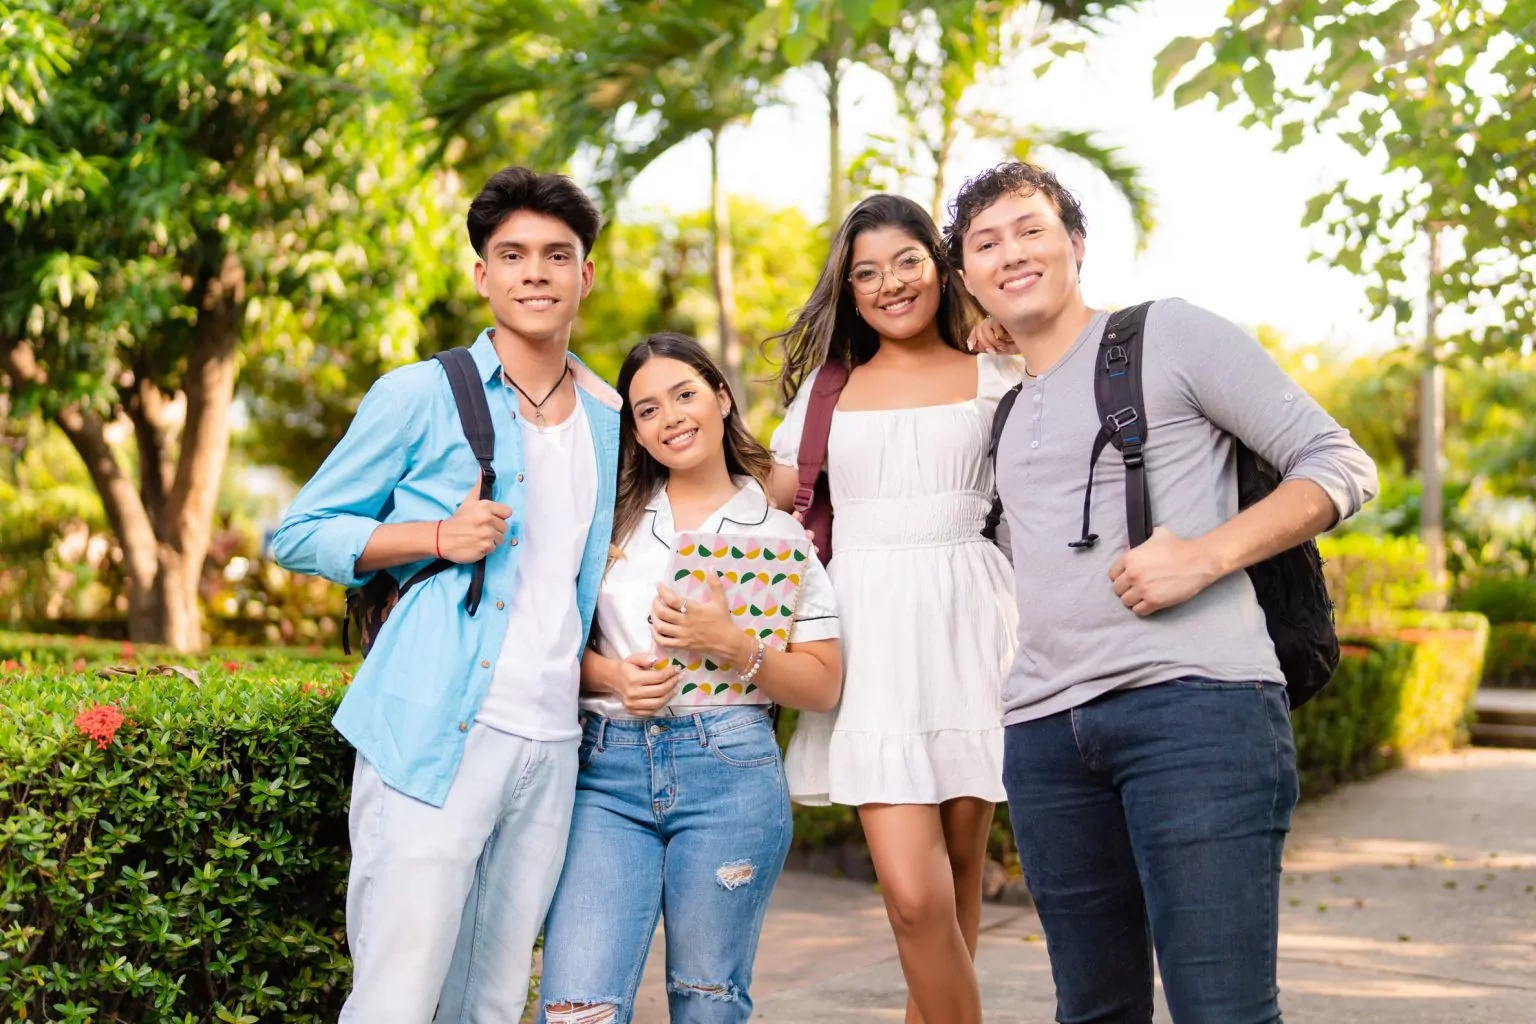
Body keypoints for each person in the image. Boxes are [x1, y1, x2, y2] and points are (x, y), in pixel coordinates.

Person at [951, 161, 1379, 1024]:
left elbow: (1341, 464)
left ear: (1076, 245)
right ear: (968, 281)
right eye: (985, 243)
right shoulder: (999, 405)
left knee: (1220, 1009)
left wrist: (1208, 555)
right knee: (1094, 1013)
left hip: (1195, 714)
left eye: (1031, 229)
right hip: (1043, 736)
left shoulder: (1167, 335)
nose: (1011, 253)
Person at [270, 167, 621, 1023]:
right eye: (511, 255)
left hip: (551, 742)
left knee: (493, 1002)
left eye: (555, 254)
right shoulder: (420, 393)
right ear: (482, 276)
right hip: (437, 728)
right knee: (397, 997)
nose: (534, 272)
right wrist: (434, 537)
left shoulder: (611, 417)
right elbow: (297, 531)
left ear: (586, 275)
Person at [765, 193, 1019, 1024]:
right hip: (869, 634)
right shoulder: (828, 394)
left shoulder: (1000, 373)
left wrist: (1011, 327)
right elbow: (759, 494)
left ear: (941, 268)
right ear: (850, 289)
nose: (890, 283)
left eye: (908, 261)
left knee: (956, 881)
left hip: (973, 623)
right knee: (914, 901)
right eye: (866, 272)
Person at [538, 332, 843, 1024]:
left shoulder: (778, 535)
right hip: (605, 773)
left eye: (684, 395)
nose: (671, 417)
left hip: (730, 772)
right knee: (574, 1005)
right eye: (647, 410)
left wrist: (735, 647)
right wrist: (611, 676)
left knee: (709, 1001)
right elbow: (544, 644)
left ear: (721, 398)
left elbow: (824, 683)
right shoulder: (604, 526)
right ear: (636, 434)